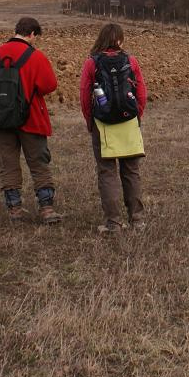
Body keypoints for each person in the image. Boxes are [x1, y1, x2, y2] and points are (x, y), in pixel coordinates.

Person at [0, 16, 62, 224]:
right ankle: (46, 209)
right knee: (38, 162)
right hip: (31, 117)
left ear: (17, 30)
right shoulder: (36, 57)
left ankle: (15, 209)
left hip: (2, 117)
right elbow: (49, 85)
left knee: (8, 162)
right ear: (32, 34)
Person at [79, 23, 148, 233]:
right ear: (119, 40)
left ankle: (114, 223)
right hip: (128, 122)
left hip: (103, 124)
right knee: (131, 171)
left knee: (106, 173)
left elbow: (84, 95)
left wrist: (90, 121)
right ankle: (137, 220)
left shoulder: (91, 63)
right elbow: (142, 92)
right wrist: (137, 116)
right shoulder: (131, 60)